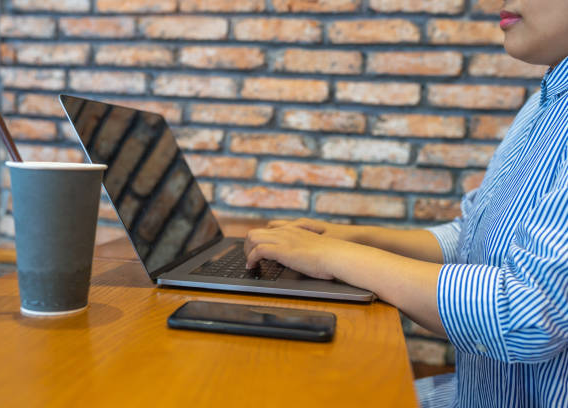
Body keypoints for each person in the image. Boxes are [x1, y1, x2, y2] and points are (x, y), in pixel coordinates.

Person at [243, 0, 568, 406]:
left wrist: (334, 258)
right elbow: (472, 237)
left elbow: (525, 314)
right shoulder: (545, 102)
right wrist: (355, 238)